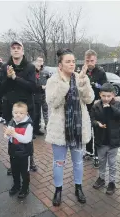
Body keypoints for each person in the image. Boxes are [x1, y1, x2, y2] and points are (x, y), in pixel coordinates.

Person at [45, 48, 94, 206]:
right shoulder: (53, 80)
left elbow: (89, 99)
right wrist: (64, 86)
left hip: (78, 129)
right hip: (60, 130)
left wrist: (84, 83)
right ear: (60, 65)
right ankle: (58, 190)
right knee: (58, 162)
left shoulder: (80, 77)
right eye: (68, 61)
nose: (72, 64)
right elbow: (52, 103)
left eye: (73, 61)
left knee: (78, 162)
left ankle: (78, 188)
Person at [0, 41, 38, 174]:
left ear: (22, 51)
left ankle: (30, 160)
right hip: (11, 108)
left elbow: (32, 87)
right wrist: (8, 78)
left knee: (27, 136)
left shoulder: (30, 67)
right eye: (13, 48)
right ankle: (13, 163)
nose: (16, 50)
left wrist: (15, 78)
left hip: (26, 108)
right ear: (10, 51)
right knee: (12, 136)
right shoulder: (4, 67)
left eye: (18, 48)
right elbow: (1, 89)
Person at [91, 83, 120, 195]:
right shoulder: (96, 106)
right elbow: (91, 119)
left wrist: (111, 107)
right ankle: (101, 178)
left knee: (112, 163)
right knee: (101, 161)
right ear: (100, 95)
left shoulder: (117, 104)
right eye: (104, 96)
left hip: (113, 140)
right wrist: (97, 124)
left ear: (113, 95)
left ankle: (112, 182)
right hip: (101, 140)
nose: (106, 98)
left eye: (109, 96)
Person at [4, 102, 33, 199]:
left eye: (21, 113)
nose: (18, 115)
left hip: (25, 154)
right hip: (13, 152)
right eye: (16, 112)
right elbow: (6, 136)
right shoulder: (12, 121)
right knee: (15, 171)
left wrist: (14, 134)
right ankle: (16, 185)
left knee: (25, 172)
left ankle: (25, 188)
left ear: (26, 113)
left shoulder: (28, 125)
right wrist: (7, 134)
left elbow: (27, 139)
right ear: (12, 113)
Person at [84, 50, 108, 168]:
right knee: (88, 130)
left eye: (92, 60)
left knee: (98, 130)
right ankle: (89, 152)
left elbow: (105, 87)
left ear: (96, 60)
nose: (89, 63)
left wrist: (96, 85)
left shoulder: (101, 72)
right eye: (87, 61)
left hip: (97, 106)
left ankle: (97, 155)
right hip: (86, 106)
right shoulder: (82, 71)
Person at [33, 56, 46, 136]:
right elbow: (33, 85)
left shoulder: (42, 73)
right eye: (38, 63)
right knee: (34, 114)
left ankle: (37, 129)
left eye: (40, 63)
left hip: (40, 95)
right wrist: (41, 87)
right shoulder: (32, 73)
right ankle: (33, 131)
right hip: (34, 95)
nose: (39, 65)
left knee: (38, 114)